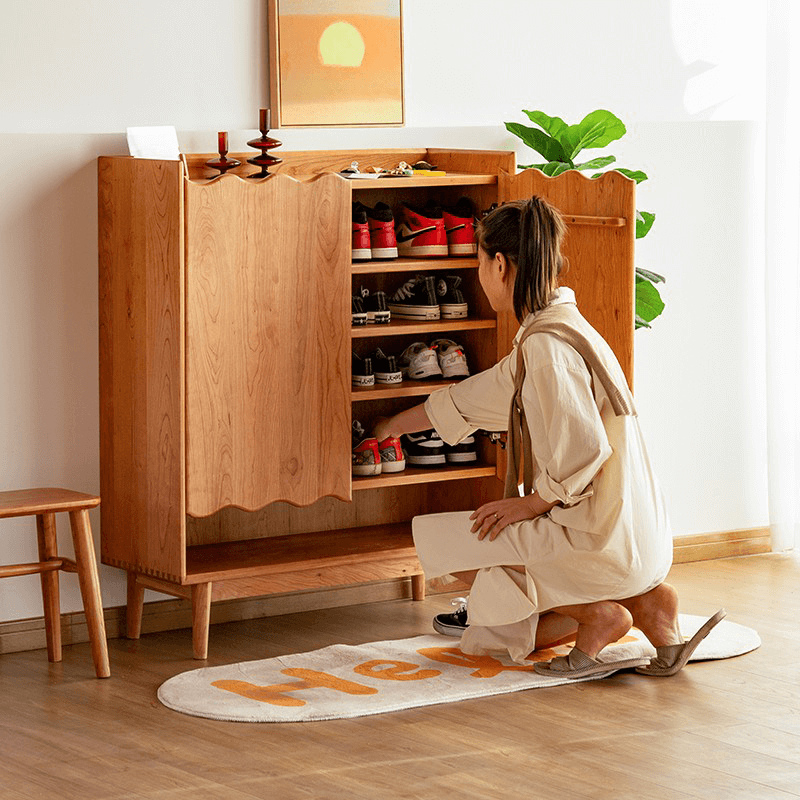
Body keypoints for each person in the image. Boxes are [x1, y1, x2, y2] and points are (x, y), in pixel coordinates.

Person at [373, 196, 724, 679]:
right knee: (494, 613)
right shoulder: (564, 330)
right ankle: (647, 604)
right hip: (644, 537)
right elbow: (472, 397)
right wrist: (390, 427)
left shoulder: (545, 347)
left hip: (604, 542)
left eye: (478, 262)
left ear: (499, 264)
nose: (478, 274)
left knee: (442, 543)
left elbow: (583, 450)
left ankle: (597, 613)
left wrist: (532, 503)